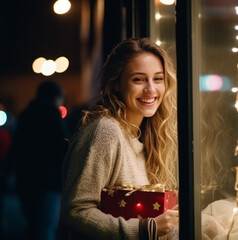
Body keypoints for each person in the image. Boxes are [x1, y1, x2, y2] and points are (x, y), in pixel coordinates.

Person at [57, 38, 179, 240]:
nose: (150, 89)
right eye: (138, 79)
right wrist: (145, 229)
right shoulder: (105, 132)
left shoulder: (143, 135)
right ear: (116, 84)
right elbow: (76, 212)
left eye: (158, 79)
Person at [10, 80, 70, 240]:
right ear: (55, 97)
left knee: (32, 225)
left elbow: (16, 148)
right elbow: (63, 148)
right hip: (49, 181)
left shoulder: (25, 115)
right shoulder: (53, 116)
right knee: (46, 227)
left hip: (26, 179)